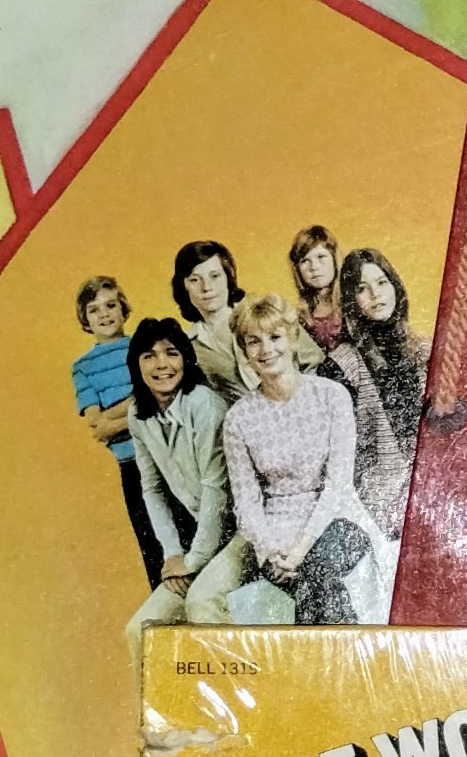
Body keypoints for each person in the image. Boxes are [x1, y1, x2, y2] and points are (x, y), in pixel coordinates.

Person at [218, 295, 391, 625]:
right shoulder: (238, 419)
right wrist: (270, 550)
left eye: (275, 337)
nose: (266, 349)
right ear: (245, 351)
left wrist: (299, 550)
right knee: (313, 585)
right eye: (254, 342)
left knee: (316, 573)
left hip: (337, 519)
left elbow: (338, 485)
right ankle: (343, 650)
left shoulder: (331, 396)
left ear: (293, 339)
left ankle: (322, 653)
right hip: (275, 531)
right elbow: (247, 501)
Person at [120, 315, 249, 659]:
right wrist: (173, 553)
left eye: (171, 353)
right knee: (141, 630)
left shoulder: (204, 404)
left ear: (185, 359)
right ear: (136, 364)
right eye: (149, 355)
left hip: (243, 534)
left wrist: (192, 561)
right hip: (201, 542)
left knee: (201, 601)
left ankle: (235, 694)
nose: (161, 364)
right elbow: (152, 489)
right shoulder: (138, 414)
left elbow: (216, 489)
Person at [67, 275, 160, 588]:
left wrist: (115, 417)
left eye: (110, 305)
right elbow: (98, 426)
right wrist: (138, 405)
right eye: (94, 310)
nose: (104, 314)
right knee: (151, 546)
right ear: (85, 320)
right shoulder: (83, 367)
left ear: (123, 309)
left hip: (163, 453)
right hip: (131, 466)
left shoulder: (144, 347)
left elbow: (157, 397)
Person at [338, 245, 428, 530]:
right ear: (352, 300)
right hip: (379, 500)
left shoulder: (424, 350)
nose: (375, 294)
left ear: (395, 287)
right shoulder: (343, 365)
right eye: (362, 289)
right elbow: (347, 458)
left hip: (427, 487)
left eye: (381, 283)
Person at [170, 239, 249, 398]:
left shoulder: (259, 316)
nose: (206, 287)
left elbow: (305, 363)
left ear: (228, 277)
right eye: (194, 280)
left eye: (215, 276)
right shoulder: (187, 347)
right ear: (184, 287)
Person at [289, 222, 348, 353]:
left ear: (334, 259)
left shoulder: (351, 303)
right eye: (305, 261)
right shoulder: (299, 316)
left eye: (321, 257)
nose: (314, 267)